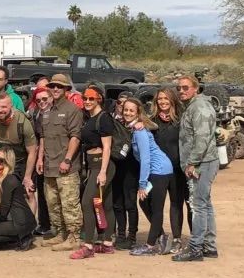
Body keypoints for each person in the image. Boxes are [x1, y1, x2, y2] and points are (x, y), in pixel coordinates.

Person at [173, 75, 219, 262]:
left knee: (198, 205)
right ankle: (209, 246)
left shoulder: (199, 107)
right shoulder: (194, 106)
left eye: (185, 88)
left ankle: (196, 248)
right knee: (205, 204)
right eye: (179, 88)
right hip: (202, 161)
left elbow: (202, 137)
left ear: (195, 88)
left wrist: (192, 162)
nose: (181, 91)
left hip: (202, 162)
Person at [121, 98, 174, 256]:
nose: (128, 113)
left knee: (156, 207)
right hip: (155, 171)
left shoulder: (140, 132)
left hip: (160, 170)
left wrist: (142, 184)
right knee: (144, 203)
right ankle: (162, 236)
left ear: (138, 112)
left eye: (132, 110)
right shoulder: (133, 127)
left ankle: (150, 246)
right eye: (126, 110)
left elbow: (145, 158)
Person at [38, 73, 84, 252]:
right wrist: (40, 159)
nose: (55, 89)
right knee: (53, 203)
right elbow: (43, 137)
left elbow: (75, 137)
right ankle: (59, 233)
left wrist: (67, 159)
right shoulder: (47, 111)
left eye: (59, 86)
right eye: (53, 86)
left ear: (66, 89)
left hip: (66, 167)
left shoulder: (73, 110)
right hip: (49, 165)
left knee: (69, 203)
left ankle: (73, 236)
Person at [70, 86, 117, 259]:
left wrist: (103, 172)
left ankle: (88, 245)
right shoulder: (89, 117)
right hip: (93, 165)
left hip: (102, 166)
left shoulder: (103, 118)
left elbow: (107, 147)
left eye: (92, 99)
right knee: (106, 204)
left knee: (87, 203)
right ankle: (107, 243)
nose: (88, 101)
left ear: (99, 99)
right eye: (86, 98)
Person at [151, 87, 191, 254]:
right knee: (153, 205)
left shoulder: (181, 120)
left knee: (177, 203)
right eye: (160, 99)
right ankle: (159, 235)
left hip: (177, 169)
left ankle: (177, 238)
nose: (163, 102)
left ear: (173, 100)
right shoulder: (152, 121)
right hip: (159, 171)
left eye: (166, 98)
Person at [0, 147, 37, 251]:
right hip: (14, 220)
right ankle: (17, 238)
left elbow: (5, 206)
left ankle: (23, 238)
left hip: (20, 221)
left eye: (2, 160)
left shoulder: (9, 179)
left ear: (8, 162)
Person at [0, 93, 37, 188]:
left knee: (27, 195)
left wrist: (27, 177)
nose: (0, 110)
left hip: (19, 164)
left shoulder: (22, 123)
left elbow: (32, 152)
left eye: (4, 107)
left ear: (11, 106)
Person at [112, 91, 140, 249]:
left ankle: (132, 236)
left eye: (130, 109)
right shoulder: (116, 123)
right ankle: (121, 234)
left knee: (130, 203)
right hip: (117, 167)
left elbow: (152, 125)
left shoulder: (139, 125)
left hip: (132, 169)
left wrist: (141, 123)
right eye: (123, 107)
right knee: (117, 203)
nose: (127, 112)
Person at [30, 86, 52, 236]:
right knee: (43, 193)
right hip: (41, 156)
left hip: (54, 156)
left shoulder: (55, 114)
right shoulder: (37, 114)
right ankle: (44, 224)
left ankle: (54, 226)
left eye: (45, 99)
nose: (42, 102)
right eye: (38, 100)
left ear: (51, 98)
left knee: (54, 194)